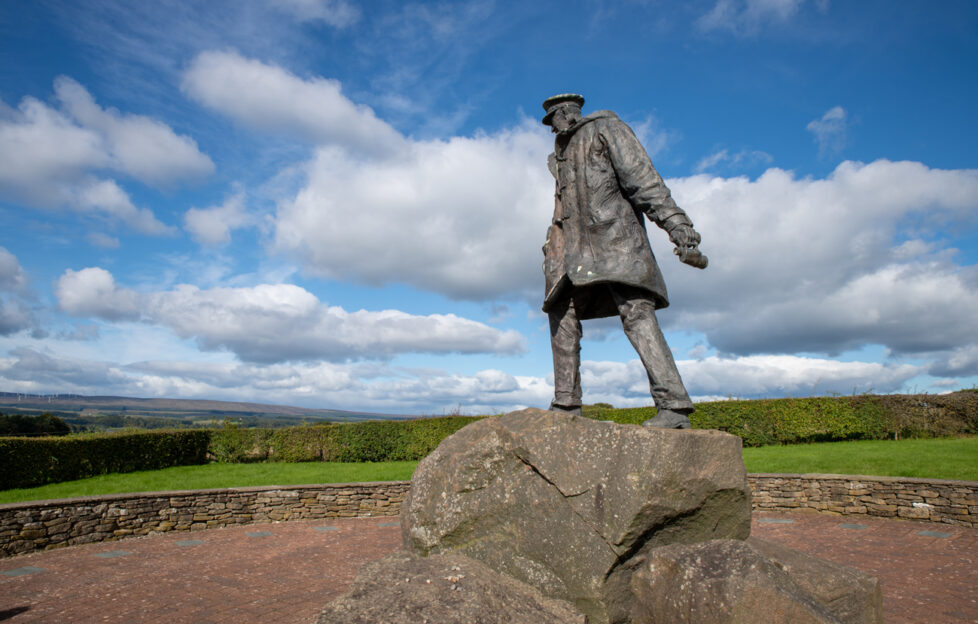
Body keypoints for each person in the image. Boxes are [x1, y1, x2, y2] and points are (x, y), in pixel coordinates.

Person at [541, 93, 707, 429]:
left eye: (555, 118)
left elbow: (643, 181)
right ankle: (566, 403)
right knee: (561, 312)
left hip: (616, 241)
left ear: (567, 113)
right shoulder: (560, 153)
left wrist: (679, 228)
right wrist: (550, 246)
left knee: (636, 312)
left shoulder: (607, 129)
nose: (553, 127)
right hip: (573, 253)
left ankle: (673, 405)